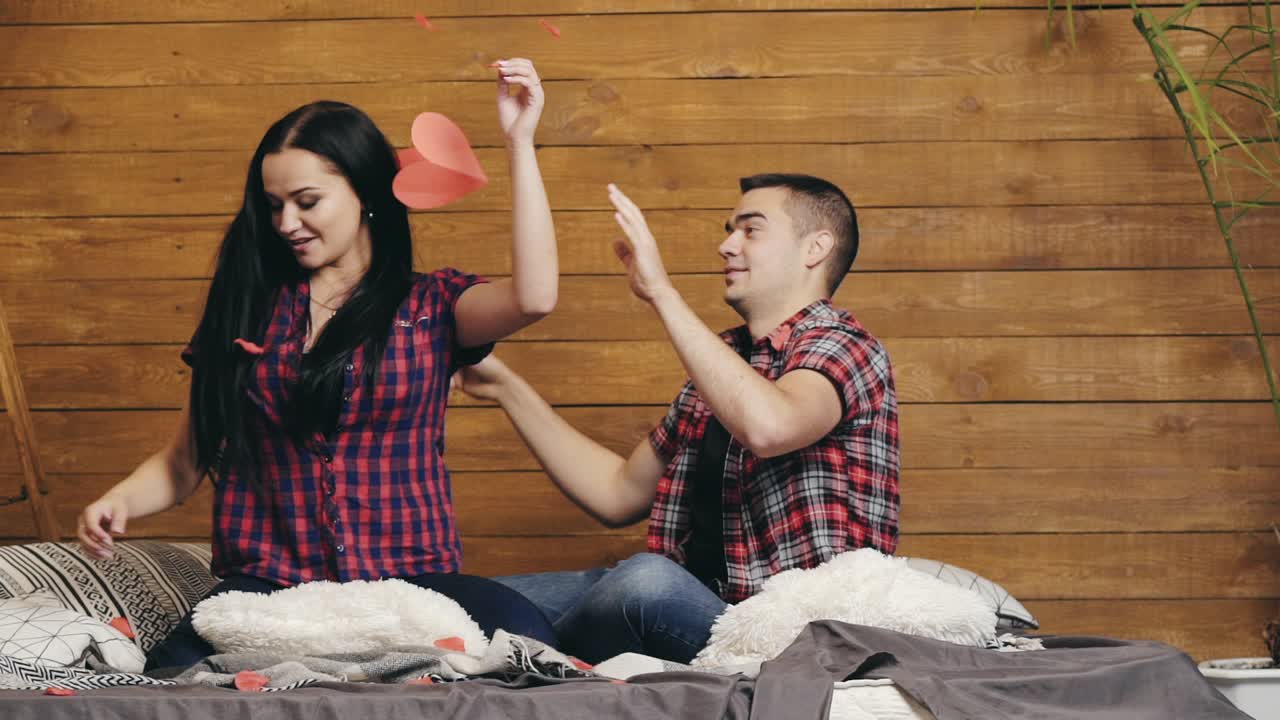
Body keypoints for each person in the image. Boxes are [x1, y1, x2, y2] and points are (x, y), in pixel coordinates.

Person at [76, 58, 560, 671]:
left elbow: (535, 297)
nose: (286, 224)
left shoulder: (432, 306)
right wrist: (118, 500)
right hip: (268, 590)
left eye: (307, 202)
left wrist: (519, 143)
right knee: (173, 679)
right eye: (273, 205)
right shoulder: (246, 314)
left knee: (531, 646)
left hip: (413, 585)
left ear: (367, 194)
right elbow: (184, 459)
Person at [456, 174, 899, 663]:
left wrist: (661, 293)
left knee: (646, 580)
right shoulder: (724, 362)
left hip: (784, 632)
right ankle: (530, 650)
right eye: (729, 229)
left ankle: (534, 656)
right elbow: (617, 493)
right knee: (466, 600)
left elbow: (770, 427)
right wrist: (505, 387)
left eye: (750, 230)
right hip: (693, 601)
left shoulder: (845, 344)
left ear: (815, 247)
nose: (725, 245)